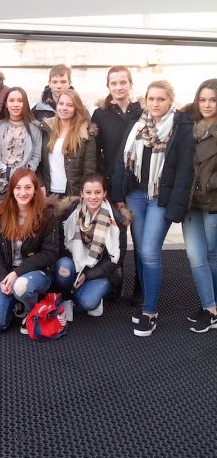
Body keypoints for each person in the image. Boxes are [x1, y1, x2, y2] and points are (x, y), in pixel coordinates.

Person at [112, 80, 194, 337]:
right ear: (146, 100)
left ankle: (150, 311)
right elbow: (122, 161)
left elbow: (184, 171)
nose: (156, 103)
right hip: (135, 195)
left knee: (149, 251)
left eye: (161, 99)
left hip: (161, 198)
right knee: (141, 251)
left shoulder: (180, 127)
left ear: (170, 100)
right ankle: (148, 300)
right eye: (152, 99)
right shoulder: (138, 124)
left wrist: (175, 207)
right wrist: (119, 194)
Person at [91, 66, 143, 303]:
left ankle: (140, 287)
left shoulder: (142, 112)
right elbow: (96, 151)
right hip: (111, 184)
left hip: (138, 184)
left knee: (140, 239)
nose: (119, 87)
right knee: (114, 235)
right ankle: (114, 281)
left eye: (123, 82)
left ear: (130, 84)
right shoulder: (101, 114)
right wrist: (104, 177)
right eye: (114, 83)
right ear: (108, 86)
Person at [0, 169, 58, 334]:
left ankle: (31, 308)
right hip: (8, 274)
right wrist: (2, 278)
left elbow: (50, 253)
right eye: (18, 188)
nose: (23, 192)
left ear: (35, 189)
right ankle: (15, 304)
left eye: (28, 187)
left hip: (35, 273)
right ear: (11, 190)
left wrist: (17, 273)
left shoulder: (47, 216)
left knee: (21, 286)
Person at [54, 173, 128, 320]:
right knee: (63, 266)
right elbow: (60, 246)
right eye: (88, 192)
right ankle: (67, 298)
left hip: (102, 270)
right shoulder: (69, 213)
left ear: (104, 193)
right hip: (75, 264)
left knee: (87, 302)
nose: (93, 197)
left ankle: (90, 293)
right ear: (82, 193)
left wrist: (87, 274)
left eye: (97, 192)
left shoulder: (117, 219)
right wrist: (77, 270)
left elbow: (116, 260)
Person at [181, 79, 217, 333]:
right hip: (190, 203)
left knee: (213, 256)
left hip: (213, 200)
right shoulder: (188, 126)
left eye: (213, 100)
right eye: (203, 99)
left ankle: (211, 308)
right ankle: (210, 306)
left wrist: (208, 183)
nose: (206, 104)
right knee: (196, 255)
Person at [37, 89, 97, 198]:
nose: (64, 108)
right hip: (48, 192)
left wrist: (84, 193)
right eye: (61, 103)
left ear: (76, 109)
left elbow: (89, 169)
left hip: (73, 193)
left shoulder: (86, 133)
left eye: (69, 105)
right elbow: (38, 161)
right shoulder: (46, 128)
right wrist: (40, 184)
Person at [0, 87, 42, 201]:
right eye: (11, 100)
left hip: (24, 186)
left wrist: (22, 176)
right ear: (6, 104)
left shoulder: (35, 128)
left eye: (20, 100)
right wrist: (6, 173)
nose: (16, 104)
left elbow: (36, 156)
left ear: (25, 104)